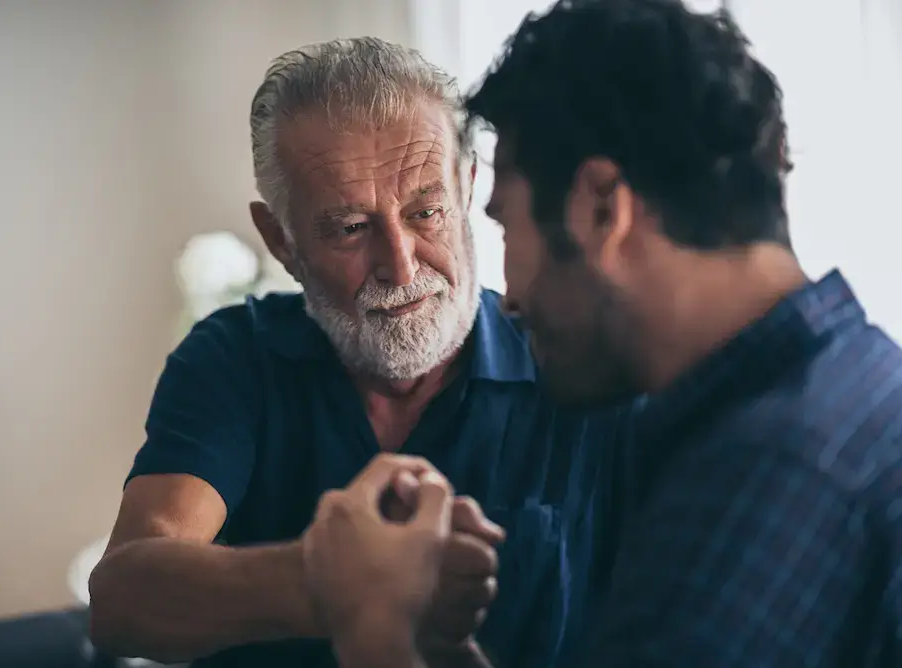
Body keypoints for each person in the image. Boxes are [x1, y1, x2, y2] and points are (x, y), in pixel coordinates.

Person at [301, 1, 902, 667]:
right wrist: (436, 645)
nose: (512, 300)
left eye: (506, 226)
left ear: (599, 208)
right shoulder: (859, 380)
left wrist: (370, 620)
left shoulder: (762, 477)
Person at [88, 37, 618, 668]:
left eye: (425, 212)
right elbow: (121, 599)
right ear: (281, 240)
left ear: (469, 185)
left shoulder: (581, 367)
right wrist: (331, 586)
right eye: (350, 228)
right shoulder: (236, 358)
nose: (400, 265)